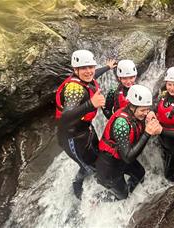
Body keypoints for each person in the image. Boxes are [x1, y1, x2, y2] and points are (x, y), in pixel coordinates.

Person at [55, 50, 117, 199]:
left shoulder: (85, 78)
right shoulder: (74, 89)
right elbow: (64, 119)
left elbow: (93, 75)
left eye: (91, 67)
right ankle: (77, 181)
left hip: (85, 128)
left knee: (96, 155)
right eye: (84, 68)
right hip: (72, 137)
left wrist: (107, 67)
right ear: (75, 70)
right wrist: (90, 104)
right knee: (88, 166)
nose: (89, 71)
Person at [96, 85, 162, 200]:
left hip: (120, 159)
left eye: (147, 109)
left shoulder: (135, 113)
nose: (145, 113)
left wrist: (151, 112)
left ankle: (129, 192)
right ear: (132, 107)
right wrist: (147, 133)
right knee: (122, 195)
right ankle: (97, 200)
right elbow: (128, 157)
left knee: (140, 173)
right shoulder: (121, 123)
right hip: (109, 166)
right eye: (143, 110)